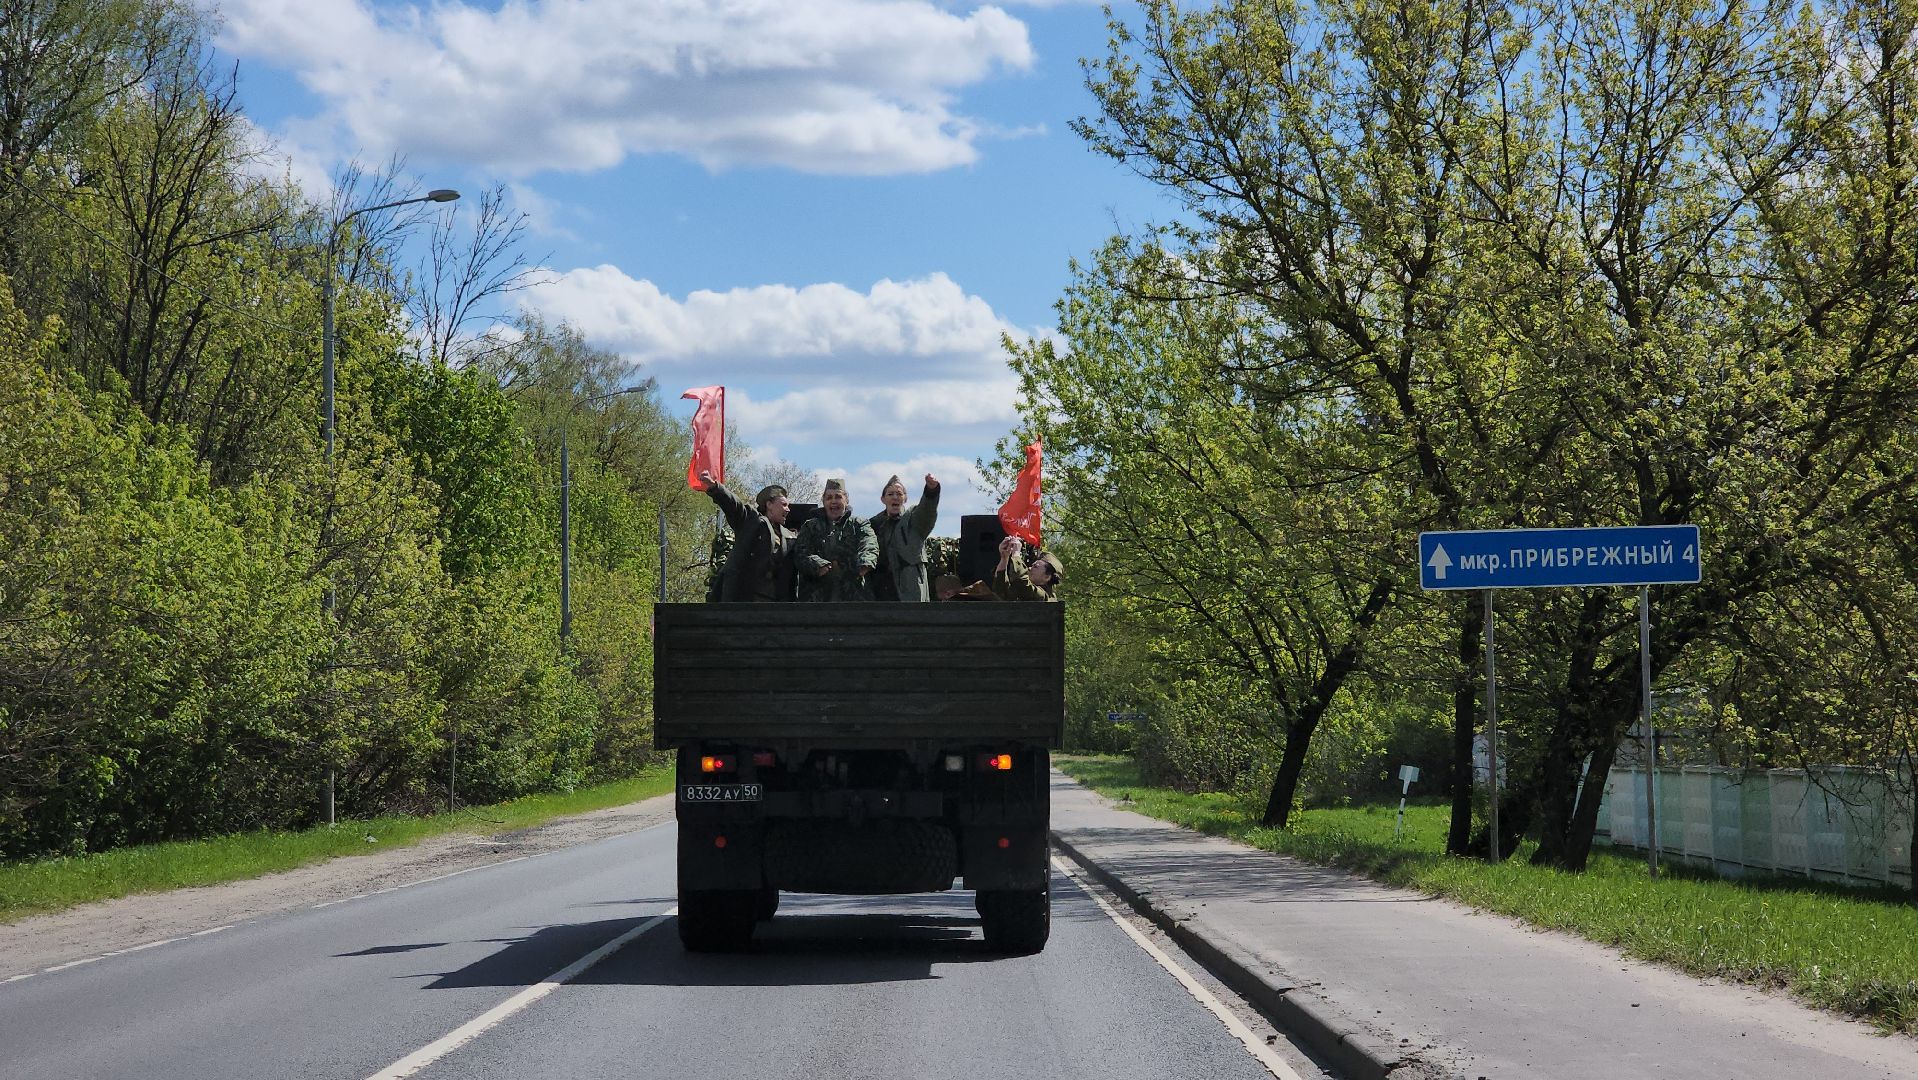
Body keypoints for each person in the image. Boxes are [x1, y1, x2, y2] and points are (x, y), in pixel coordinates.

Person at [699, 470, 797, 602]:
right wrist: (715, 487)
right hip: (747, 596)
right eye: (784, 505)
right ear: (769, 505)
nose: (788, 509)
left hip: (775, 600)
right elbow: (735, 506)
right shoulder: (752, 521)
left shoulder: (789, 536)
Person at [795, 477, 878, 602]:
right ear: (823, 501)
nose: (833, 501)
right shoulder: (810, 526)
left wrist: (865, 562)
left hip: (853, 597)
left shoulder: (859, 524)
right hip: (816, 599)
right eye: (829, 498)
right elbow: (800, 552)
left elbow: (869, 544)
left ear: (846, 500)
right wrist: (819, 565)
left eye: (838, 497)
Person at [869, 473, 941, 601]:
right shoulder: (873, 525)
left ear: (905, 498)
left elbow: (927, 510)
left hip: (909, 590)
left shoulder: (914, 521)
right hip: (879, 591)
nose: (895, 497)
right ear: (883, 499)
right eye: (890, 494)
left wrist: (931, 491)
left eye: (899, 494)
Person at [993, 535, 1062, 602]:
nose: (1029, 568)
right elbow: (1001, 588)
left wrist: (1016, 554)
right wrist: (1004, 558)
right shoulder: (1025, 592)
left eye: (1035, 566)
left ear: (1047, 577)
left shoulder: (1045, 597)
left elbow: (1023, 584)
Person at [934, 573, 1000, 601]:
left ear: (948, 594)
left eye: (942, 599)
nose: (943, 602)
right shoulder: (982, 594)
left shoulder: (955, 606)